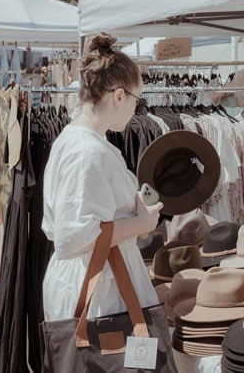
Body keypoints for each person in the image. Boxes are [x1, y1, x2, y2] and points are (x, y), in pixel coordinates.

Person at [42, 32, 164, 322]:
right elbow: (75, 236)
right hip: (99, 288)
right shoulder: (88, 151)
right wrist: (141, 223)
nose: (138, 109)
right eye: (137, 99)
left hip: (102, 278)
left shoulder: (88, 143)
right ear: (119, 96)